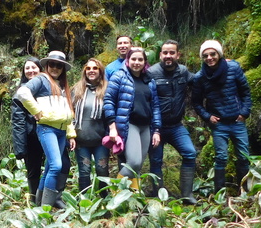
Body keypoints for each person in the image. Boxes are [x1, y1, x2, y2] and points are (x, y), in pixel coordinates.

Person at [16, 50, 76, 208]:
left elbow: (66, 111)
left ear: (63, 69)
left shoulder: (62, 85)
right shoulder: (42, 79)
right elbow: (22, 92)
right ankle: (46, 209)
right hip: (47, 128)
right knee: (57, 165)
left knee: (50, 166)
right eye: (52, 64)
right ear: (47, 65)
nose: (55, 68)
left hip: (61, 131)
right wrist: (36, 111)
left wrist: (70, 133)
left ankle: (39, 204)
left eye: (59, 66)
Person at [191, 40, 252, 193]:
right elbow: (196, 102)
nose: (209, 58)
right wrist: (207, 117)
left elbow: (245, 91)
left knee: (244, 156)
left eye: (213, 54)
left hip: (237, 121)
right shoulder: (200, 77)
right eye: (205, 55)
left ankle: (244, 191)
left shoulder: (233, 68)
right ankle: (220, 194)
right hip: (219, 124)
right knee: (221, 158)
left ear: (219, 54)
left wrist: (244, 112)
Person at [147, 40, 198, 204]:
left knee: (190, 153)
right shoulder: (151, 73)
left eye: (172, 53)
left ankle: (187, 195)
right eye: (165, 53)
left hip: (176, 126)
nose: (168, 56)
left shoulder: (183, 71)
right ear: (161, 54)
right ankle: (158, 197)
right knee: (156, 161)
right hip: (156, 128)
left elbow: (200, 80)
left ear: (178, 55)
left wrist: (220, 66)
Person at [104, 47, 162, 191]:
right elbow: (108, 101)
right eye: (133, 59)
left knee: (139, 165)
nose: (137, 62)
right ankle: (115, 193)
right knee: (134, 163)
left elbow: (155, 106)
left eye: (140, 59)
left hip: (146, 126)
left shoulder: (149, 80)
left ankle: (133, 196)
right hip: (129, 124)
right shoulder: (119, 76)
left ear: (145, 62)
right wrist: (112, 127)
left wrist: (156, 130)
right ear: (128, 60)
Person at [71, 58, 110, 197]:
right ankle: (84, 201)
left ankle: (104, 199)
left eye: (95, 68)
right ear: (85, 71)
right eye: (88, 68)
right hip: (81, 139)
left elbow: (112, 114)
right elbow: (70, 113)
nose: (91, 71)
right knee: (84, 170)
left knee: (102, 169)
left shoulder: (107, 89)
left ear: (100, 71)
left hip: (100, 140)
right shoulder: (77, 89)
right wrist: (71, 135)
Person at [11, 57, 45, 205]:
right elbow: (18, 121)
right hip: (32, 137)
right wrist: (20, 147)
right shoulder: (21, 92)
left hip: (50, 132)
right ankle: (34, 200)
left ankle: (50, 197)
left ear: (40, 69)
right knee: (33, 170)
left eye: (34, 67)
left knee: (53, 166)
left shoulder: (48, 87)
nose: (31, 70)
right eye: (27, 68)